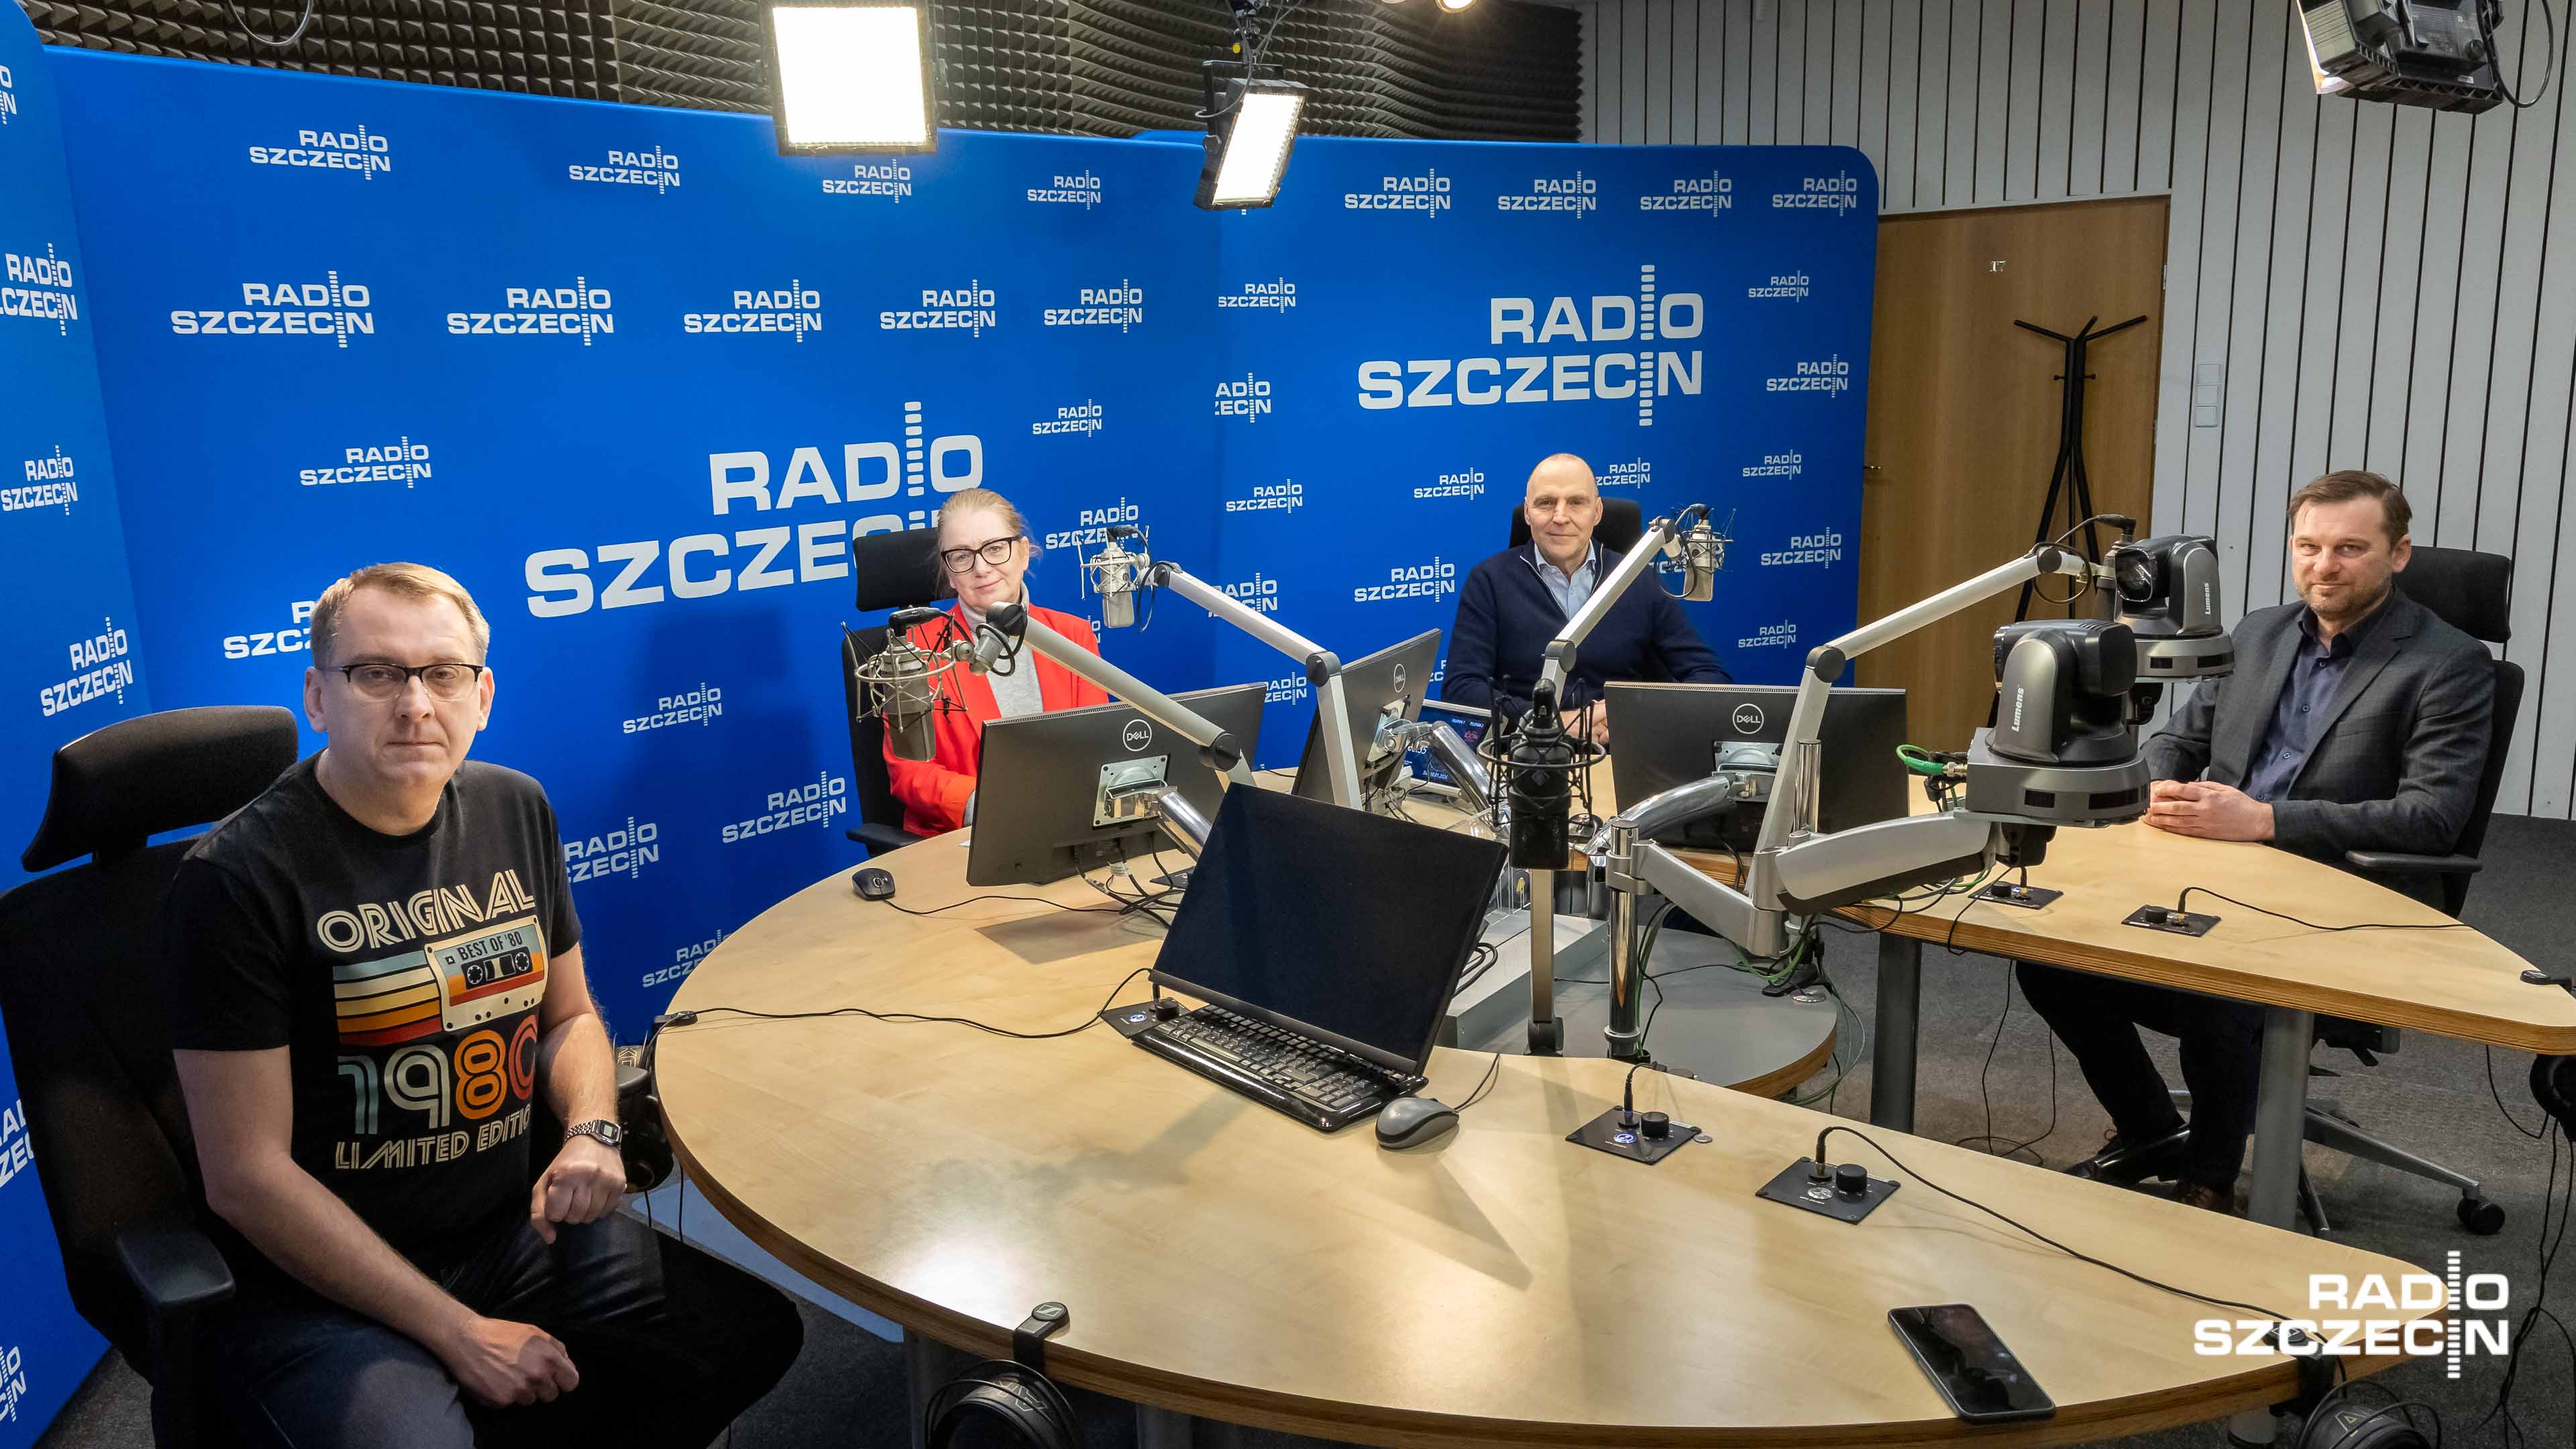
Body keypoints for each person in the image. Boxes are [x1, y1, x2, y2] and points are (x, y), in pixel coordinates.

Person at [163, 563, 802, 1447]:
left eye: (443, 673)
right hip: (317, 1291)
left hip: (508, 1233)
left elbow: (570, 1018)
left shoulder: (515, 807)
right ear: (317, 697)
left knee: (753, 1336)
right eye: (376, 673)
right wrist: (458, 1331)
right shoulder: (236, 879)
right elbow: (246, 1178)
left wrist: (592, 1130)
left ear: (483, 695)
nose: (415, 705)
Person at [2017, 471, 2495, 1214]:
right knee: (2051, 962)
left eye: (2349, 549)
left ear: (2398, 554)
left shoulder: (2449, 662)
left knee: (2226, 997)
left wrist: (2268, 820)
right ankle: (2151, 1128)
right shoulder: (2258, 634)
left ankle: (2208, 1182)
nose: (2324, 566)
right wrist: (2158, 785)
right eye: (2308, 547)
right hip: (2217, 874)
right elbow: (2182, 739)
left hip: (2344, 901)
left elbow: (2430, 818)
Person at [1441, 453, 1729, 743]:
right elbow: (1461, 689)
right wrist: (1551, 722)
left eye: (1576, 502)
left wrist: (1635, 714)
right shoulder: (1489, 581)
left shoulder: (1637, 578)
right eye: (1546, 503)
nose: (1560, 517)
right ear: (1528, 512)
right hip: (1527, 753)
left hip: (1622, 749)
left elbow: (1710, 677)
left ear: (1598, 512)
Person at [886, 488, 1112, 836]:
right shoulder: (915, 652)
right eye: (962, 556)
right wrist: (989, 806)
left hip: (1070, 828)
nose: (981, 569)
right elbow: (910, 772)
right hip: (966, 840)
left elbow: (1098, 746)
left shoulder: (1072, 636)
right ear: (949, 573)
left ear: (1023, 553)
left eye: (994, 549)